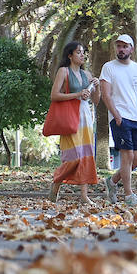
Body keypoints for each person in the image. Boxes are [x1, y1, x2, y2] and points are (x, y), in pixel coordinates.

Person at [98, 33, 137, 204]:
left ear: (131, 49)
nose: (121, 49)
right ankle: (129, 195)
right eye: (119, 46)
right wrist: (116, 115)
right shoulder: (109, 67)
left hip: (136, 119)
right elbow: (105, 95)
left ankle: (112, 182)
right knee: (127, 156)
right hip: (119, 118)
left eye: (125, 46)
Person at [48, 40, 99, 201]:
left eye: (83, 52)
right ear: (70, 55)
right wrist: (77, 94)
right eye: (78, 52)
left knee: (86, 155)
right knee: (73, 157)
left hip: (85, 116)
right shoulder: (64, 71)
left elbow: (96, 101)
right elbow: (54, 95)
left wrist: (97, 86)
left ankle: (84, 195)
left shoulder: (87, 75)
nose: (82, 55)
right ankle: (56, 183)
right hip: (70, 117)